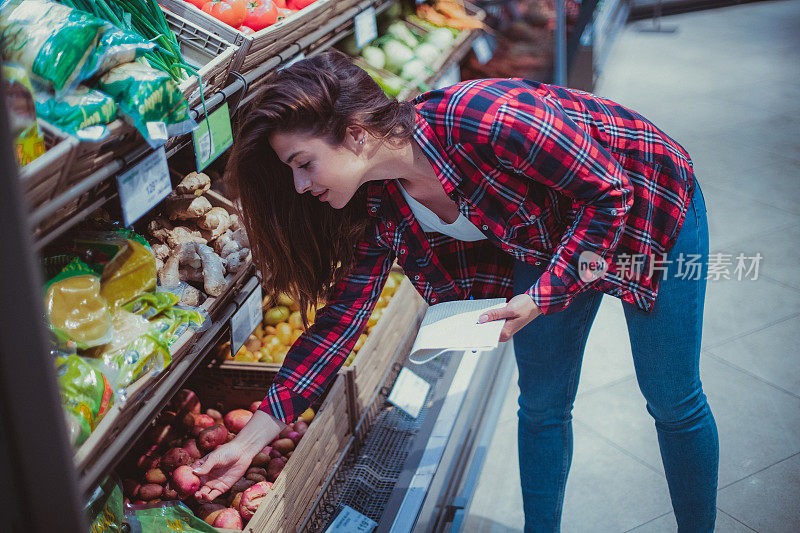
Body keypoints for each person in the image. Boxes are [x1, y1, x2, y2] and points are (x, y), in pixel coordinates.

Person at [192, 50, 718, 532]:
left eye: (304, 164)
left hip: (648, 212)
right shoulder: (380, 203)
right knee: (541, 407)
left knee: (672, 400)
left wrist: (540, 297)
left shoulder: (484, 118)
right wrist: (251, 438)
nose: (302, 186)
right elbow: (342, 320)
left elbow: (610, 193)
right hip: (547, 240)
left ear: (355, 133)